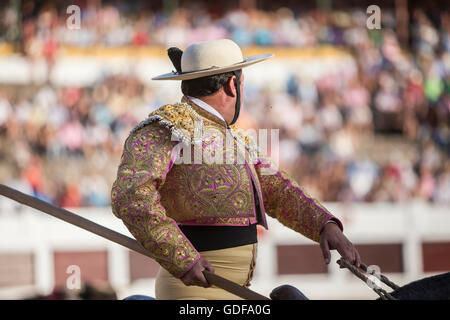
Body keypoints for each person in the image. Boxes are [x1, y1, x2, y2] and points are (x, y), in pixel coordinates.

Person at [111, 39, 361, 299]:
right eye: (242, 83)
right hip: (194, 293)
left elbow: (275, 189)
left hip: (233, 291)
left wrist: (324, 224)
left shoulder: (232, 137)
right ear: (233, 85)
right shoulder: (166, 127)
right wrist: (181, 257)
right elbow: (130, 196)